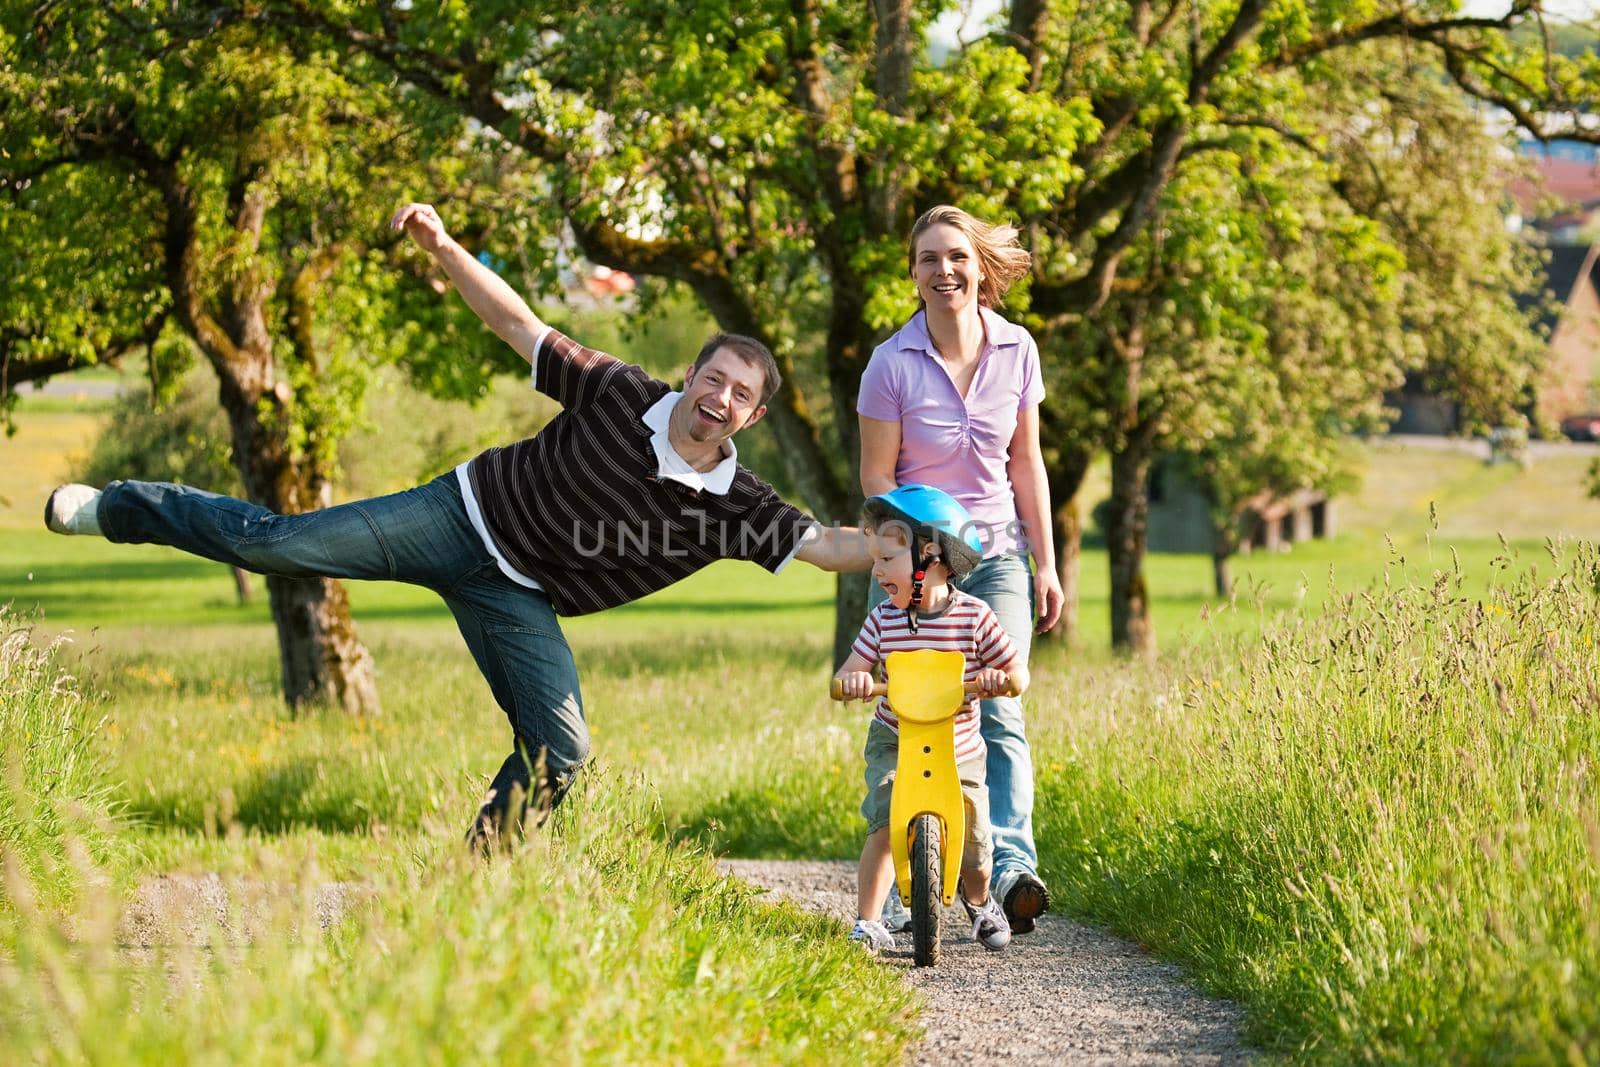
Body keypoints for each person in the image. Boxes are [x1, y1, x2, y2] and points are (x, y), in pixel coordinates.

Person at [44, 201, 870, 849]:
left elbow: (829, 548)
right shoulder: (620, 390)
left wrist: (911, 541)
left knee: (564, 750)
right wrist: (442, 247)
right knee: (276, 544)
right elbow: (519, 324)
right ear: (691, 373)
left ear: (754, 416)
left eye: (739, 395)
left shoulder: (737, 502)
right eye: (712, 378)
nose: (718, 399)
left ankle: (478, 875)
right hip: (457, 516)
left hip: (518, 596)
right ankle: (118, 507)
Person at [856, 205, 1063, 934]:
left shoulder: (1018, 349)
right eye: (927, 259)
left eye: (955, 256)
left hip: (1001, 556)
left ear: (980, 266)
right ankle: (913, 859)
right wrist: (905, 569)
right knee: (914, 709)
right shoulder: (890, 364)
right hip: (925, 567)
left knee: (1000, 706)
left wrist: (1046, 561)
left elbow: (1026, 462)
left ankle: (1009, 869)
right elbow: (877, 483)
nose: (943, 270)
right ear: (912, 275)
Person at [835, 484, 1027, 953]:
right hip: (894, 737)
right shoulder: (883, 619)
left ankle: (981, 906)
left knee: (976, 840)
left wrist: (1002, 680)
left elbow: (1017, 671)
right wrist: (854, 681)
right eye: (875, 559)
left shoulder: (975, 617)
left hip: (957, 745)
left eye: (886, 559)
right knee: (884, 822)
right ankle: (869, 920)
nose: (876, 570)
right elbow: (846, 675)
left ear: (931, 558)